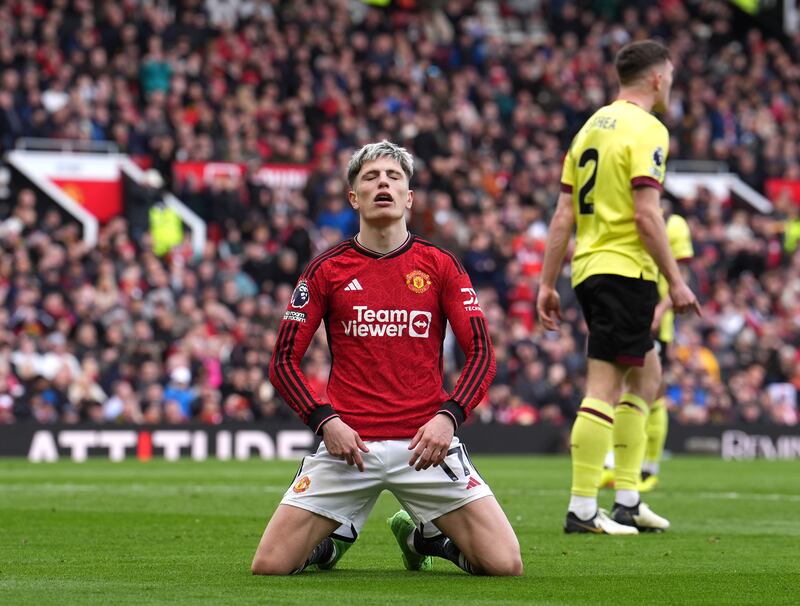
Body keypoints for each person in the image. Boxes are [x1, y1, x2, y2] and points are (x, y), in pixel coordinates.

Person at [253, 141, 522, 576]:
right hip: (349, 447)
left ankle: (426, 538)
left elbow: (482, 353)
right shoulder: (327, 270)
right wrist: (326, 422)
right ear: (354, 197)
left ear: (409, 198)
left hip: (425, 446)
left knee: (506, 564)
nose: (384, 183)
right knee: (269, 566)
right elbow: (283, 361)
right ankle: (334, 542)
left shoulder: (440, 265)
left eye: (394, 177)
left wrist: (448, 417)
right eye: (371, 177)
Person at [537, 40, 700, 535]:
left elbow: (564, 211)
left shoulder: (591, 127)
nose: (670, 84)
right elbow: (646, 213)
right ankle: (583, 507)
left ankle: (627, 500)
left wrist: (548, 282)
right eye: (669, 76)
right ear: (656, 78)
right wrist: (676, 281)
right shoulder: (648, 128)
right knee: (605, 387)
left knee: (647, 380)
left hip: (590, 267)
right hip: (624, 270)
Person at [598, 201, 695, 492]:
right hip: (628, 313)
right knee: (618, 389)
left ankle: (649, 468)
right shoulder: (631, 215)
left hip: (655, 322)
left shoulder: (675, 224)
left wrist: (663, 309)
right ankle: (616, 463)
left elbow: (682, 274)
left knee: (653, 391)